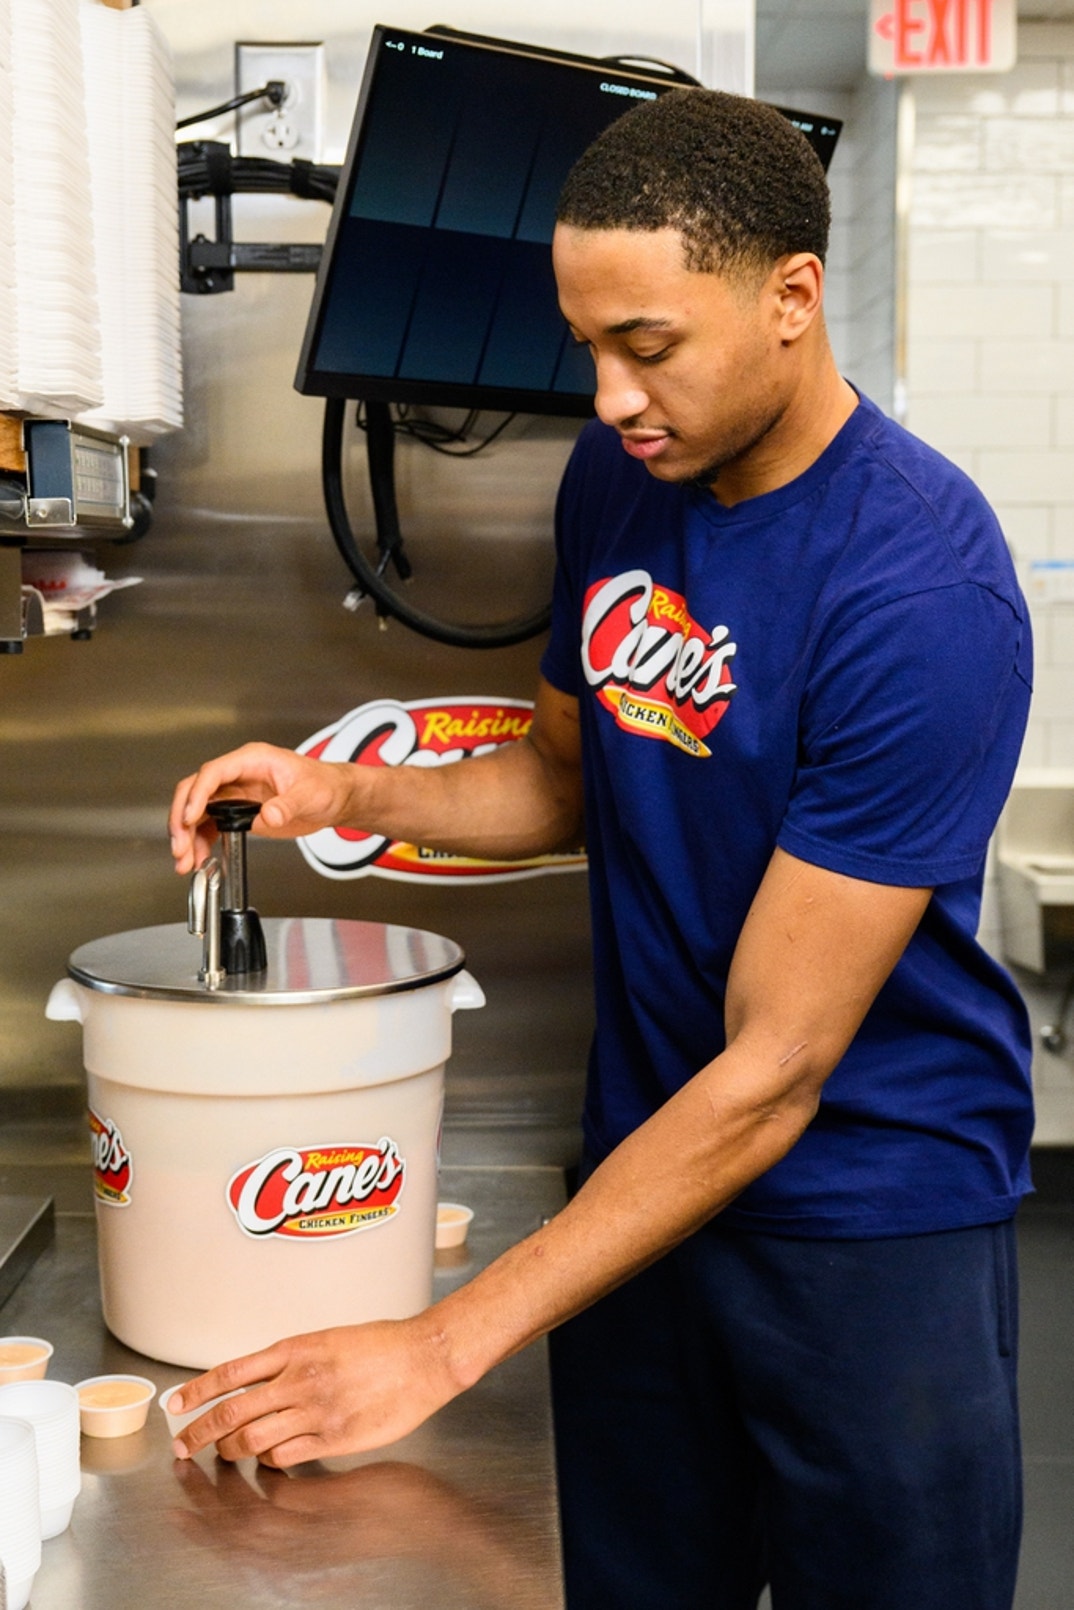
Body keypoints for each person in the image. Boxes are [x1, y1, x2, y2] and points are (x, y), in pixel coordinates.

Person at [167, 89, 1033, 1610]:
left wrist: (441, 1344)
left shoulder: (919, 591)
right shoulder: (622, 480)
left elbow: (775, 1069)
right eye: (587, 346)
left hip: (866, 1216)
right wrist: (340, 791)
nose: (613, 395)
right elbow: (564, 779)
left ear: (791, 297)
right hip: (639, 1189)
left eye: (648, 345)